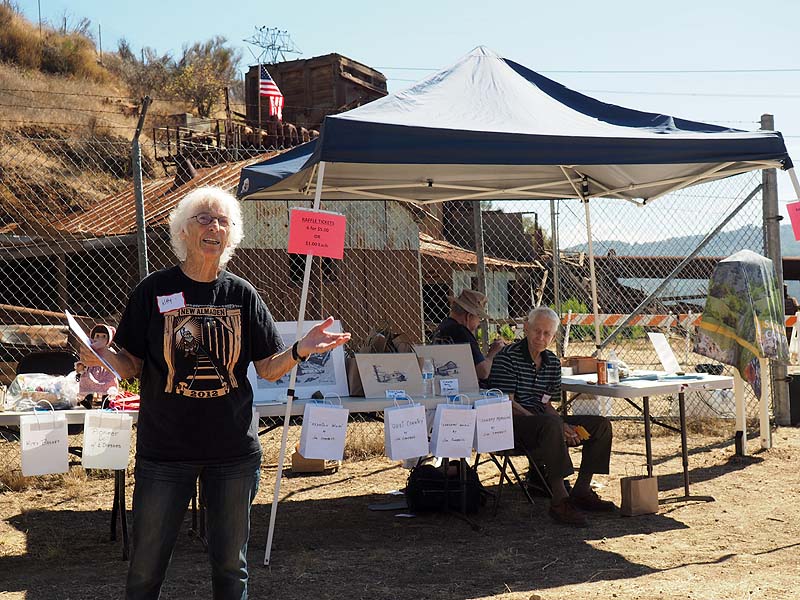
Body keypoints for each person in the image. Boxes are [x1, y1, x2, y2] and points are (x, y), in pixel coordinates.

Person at [93, 186, 350, 600]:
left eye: (223, 221)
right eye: (204, 219)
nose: (214, 227)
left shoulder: (241, 294)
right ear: (182, 231)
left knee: (232, 568)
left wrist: (301, 349)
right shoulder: (153, 290)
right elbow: (131, 367)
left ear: (231, 236)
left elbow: (267, 367)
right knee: (145, 568)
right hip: (164, 452)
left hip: (232, 452)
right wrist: (101, 355)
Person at [488, 306, 614, 527]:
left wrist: (563, 424)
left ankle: (582, 491)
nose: (541, 337)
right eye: (537, 330)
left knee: (601, 425)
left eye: (547, 333)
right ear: (526, 328)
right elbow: (505, 402)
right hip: (510, 425)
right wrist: (552, 423)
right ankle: (559, 500)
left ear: (553, 336)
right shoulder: (506, 358)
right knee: (550, 424)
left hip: (543, 423)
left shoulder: (552, 363)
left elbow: (546, 404)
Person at [431, 289, 505, 383]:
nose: (479, 323)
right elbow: (483, 372)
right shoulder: (461, 332)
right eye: (479, 318)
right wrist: (492, 353)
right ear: (469, 316)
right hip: (464, 390)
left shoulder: (442, 327)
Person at [74, 324, 119, 406]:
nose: (100, 339)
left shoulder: (110, 351)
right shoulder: (90, 351)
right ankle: (87, 398)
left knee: (108, 385)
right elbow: (85, 360)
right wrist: (81, 366)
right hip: (92, 371)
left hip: (106, 372)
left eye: (104, 336)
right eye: (97, 336)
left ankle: (106, 400)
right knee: (86, 380)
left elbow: (114, 361)